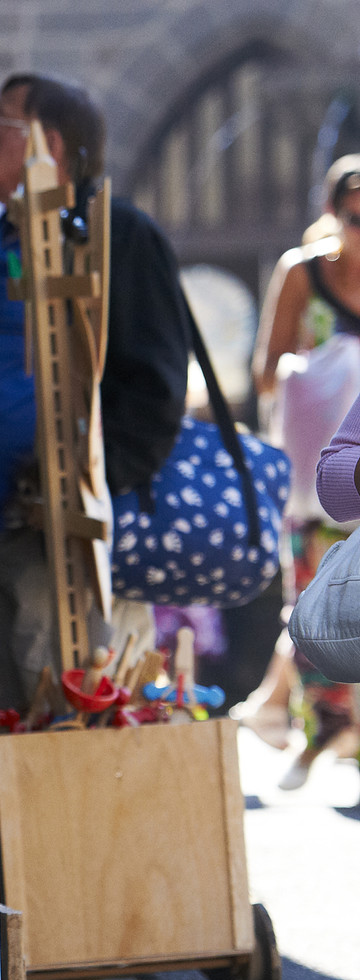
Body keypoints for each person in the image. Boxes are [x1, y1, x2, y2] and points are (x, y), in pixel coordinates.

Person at [0, 74, 191, 711]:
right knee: (4, 725)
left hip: (67, 550)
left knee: (74, 717)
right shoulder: (2, 235)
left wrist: (75, 484)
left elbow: (155, 391)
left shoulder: (117, 235)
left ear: (50, 146)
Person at [242, 157, 360, 788]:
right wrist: (322, 370)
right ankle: (323, 728)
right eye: (355, 218)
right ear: (333, 214)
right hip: (318, 478)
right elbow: (265, 373)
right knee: (317, 602)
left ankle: (283, 709)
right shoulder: (301, 273)